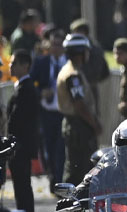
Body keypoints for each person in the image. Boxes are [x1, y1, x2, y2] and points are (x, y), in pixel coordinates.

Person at [57, 33, 101, 186]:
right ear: (81, 53)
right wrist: (95, 124)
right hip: (79, 127)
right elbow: (79, 105)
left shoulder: (71, 70)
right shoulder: (73, 75)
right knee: (80, 170)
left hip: (76, 126)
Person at [6, 50, 38, 212]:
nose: (10, 66)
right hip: (18, 147)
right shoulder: (21, 87)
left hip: (21, 148)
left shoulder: (27, 89)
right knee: (20, 190)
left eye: (14, 63)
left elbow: (18, 120)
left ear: (25, 66)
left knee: (23, 191)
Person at [30, 28, 66, 184]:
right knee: (49, 147)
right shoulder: (41, 62)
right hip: (47, 111)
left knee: (62, 146)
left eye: (59, 44)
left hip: (64, 111)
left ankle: (59, 178)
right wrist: (40, 92)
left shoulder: (69, 62)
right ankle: (52, 174)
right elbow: (29, 83)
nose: (56, 48)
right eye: (53, 44)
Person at [70, 18, 110, 102]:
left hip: (88, 89)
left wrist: (89, 81)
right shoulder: (95, 48)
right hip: (84, 87)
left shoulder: (93, 50)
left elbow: (102, 72)